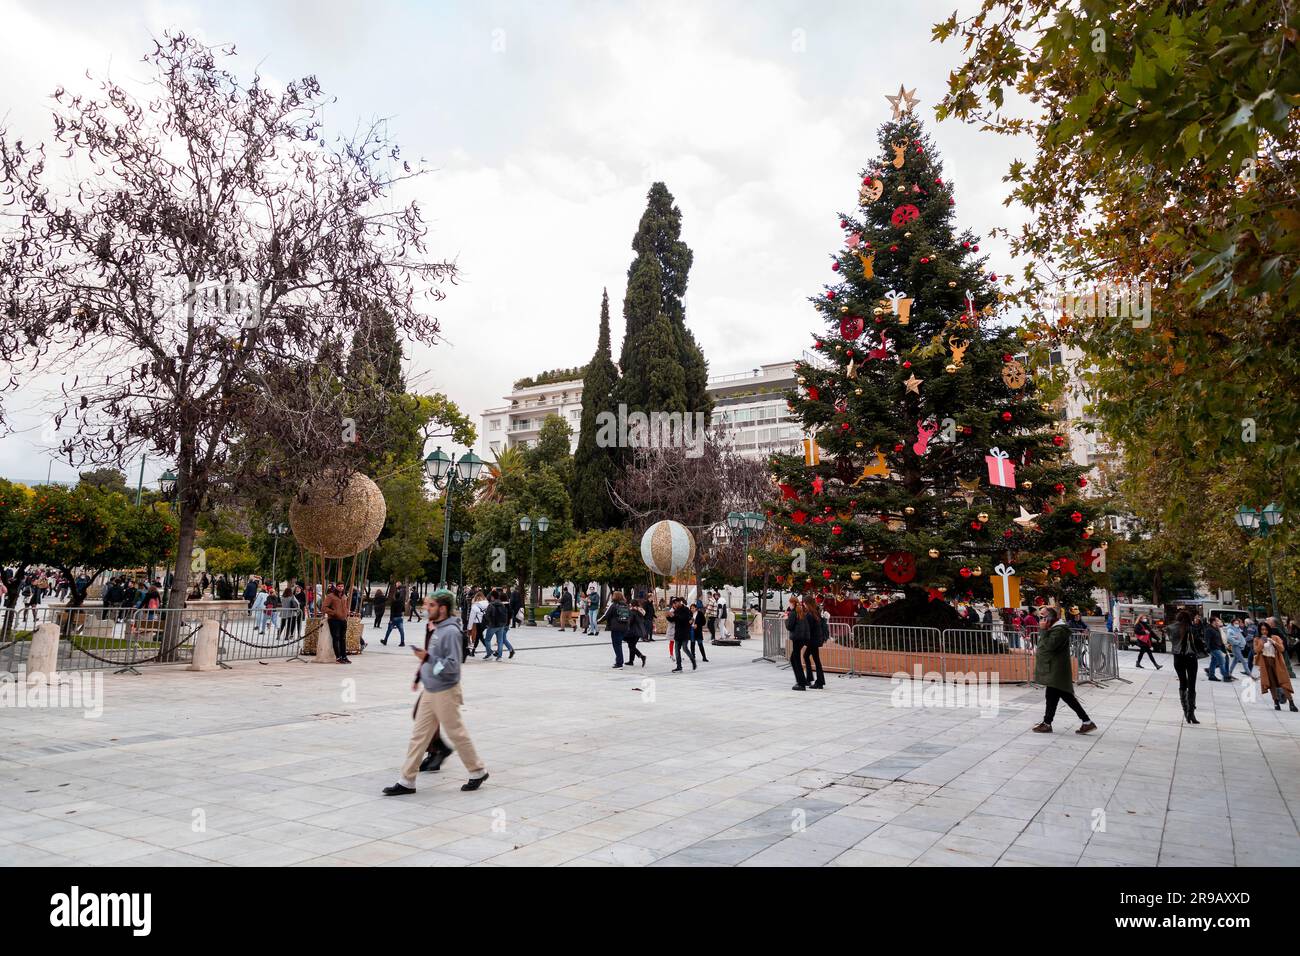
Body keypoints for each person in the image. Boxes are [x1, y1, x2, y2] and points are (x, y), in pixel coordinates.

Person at [383, 590, 489, 795]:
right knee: (419, 736)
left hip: (445, 691)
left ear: (442, 608)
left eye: (430, 605)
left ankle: (477, 770)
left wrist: (429, 659)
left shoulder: (450, 632)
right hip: (431, 690)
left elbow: (451, 666)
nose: (426, 609)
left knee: (456, 733)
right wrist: (424, 670)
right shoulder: (438, 628)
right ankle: (407, 781)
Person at [1031, 606, 1097, 734]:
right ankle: (1047, 723)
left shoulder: (1059, 630)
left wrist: (1043, 630)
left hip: (1057, 670)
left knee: (1065, 696)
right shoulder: (1055, 628)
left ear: (1050, 617)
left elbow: (1049, 646)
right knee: (1052, 696)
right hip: (1054, 668)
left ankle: (1086, 722)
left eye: (1043, 617)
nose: (1041, 620)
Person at [1168, 609, 1202, 724]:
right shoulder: (1191, 628)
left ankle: (1185, 711)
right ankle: (1191, 713)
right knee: (1192, 684)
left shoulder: (1171, 628)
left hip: (1177, 658)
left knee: (1183, 683)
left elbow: (1171, 639)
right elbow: (1198, 640)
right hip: (1191, 657)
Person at [1255, 622, 1297, 712]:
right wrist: (1262, 642)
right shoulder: (1257, 639)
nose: (1264, 631)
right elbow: (1257, 650)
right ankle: (1276, 702)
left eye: (1266, 629)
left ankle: (1291, 703)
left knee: (1284, 682)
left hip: (1277, 663)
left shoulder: (1275, 637)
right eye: (1262, 630)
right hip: (1266, 663)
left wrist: (1273, 641)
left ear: (1269, 629)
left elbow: (1282, 649)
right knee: (1271, 683)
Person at [785, 595, 811, 691]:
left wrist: (785, 619)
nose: (789, 605)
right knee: (793, 659)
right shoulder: (801, 612)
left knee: (796, 660)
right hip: (802, 639)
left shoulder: (793, 613)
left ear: (792, 603)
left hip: (796, 639)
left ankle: (801, 683)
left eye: (790, 603)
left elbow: (789, 626)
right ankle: (802, 680)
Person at [802, 593, 827, 689]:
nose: (803, 604)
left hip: (813, 640)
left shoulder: (810, 614)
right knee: (813, 658)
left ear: (807, 603)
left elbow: (808, 629)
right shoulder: (815, 612)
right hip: (815, 640)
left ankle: (816, 681)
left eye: (804, 603)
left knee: (810, 658)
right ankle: (815, 680)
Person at [323, 582, 351, 664]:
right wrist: (334, 613)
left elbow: (345, 606)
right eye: (339, 586)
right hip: (334, 620)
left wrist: (346, 612)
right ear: (336, 587)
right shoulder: (330, 596)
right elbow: (324, 607)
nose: (340, 588)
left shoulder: (344, 596)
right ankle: (338, 657)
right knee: (336, 638)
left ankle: (344, 656)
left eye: (342, 586)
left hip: (343, 619)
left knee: (343, 638)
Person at [484, 588, 515, 660]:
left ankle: (489, 654)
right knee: (500, 640)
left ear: (492, 597)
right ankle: (499, 656)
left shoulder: (491, 605)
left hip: (493, 625)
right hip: (501, 625)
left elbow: (487, 615)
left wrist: (488, 623)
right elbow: (506, 615)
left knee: (487, 640)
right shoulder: (502, 605)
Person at [605, 590, 631, 668]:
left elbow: (606, 615)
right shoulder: (625, 605)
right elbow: (629, 615)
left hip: (616, 628)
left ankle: (619, 662)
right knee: (619, 645)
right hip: (625, 627)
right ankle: (619, 660)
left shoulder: (613, 605)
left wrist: (597, 621)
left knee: (617, 645)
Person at [669, 596, 695, 672]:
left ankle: (693, 660)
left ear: (679, 602)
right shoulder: (676, 610)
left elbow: (684, 619)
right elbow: (673, 620)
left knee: (685, 648)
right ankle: (679, 666)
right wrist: (668, 616)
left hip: (685, 632)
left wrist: (675, 616)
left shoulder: (686, 610)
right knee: (677, 650)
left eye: (675, 603)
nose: (675, 605)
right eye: (674, 604)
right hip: (677, 633)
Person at [1203, 616, 1232, 682]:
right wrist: (1208, 648)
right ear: (1214, 622)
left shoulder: (1216, 628)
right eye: (1217, 620)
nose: (1219, 621)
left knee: (1213, 662)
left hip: (1218, 647)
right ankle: (1226, 676)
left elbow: (1220, 639)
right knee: (1222, 661)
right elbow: (1207, 640)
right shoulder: (1209, 629)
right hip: (1214, 648)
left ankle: (1211, 675)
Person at [382, 581, 407, 647]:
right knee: (401, 631)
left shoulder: (393, 602)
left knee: (389, 630)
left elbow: (392, 612)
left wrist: (390, 619)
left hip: (394, 618)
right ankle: (402, 642)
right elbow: (403, 610)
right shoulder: (401, 602)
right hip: (400, 617)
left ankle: (385, 640)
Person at [467, 589, 489, 657]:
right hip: (485, 623)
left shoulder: (474, 606)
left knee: (481, 638)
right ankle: (472, 652)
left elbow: (471, 618)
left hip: (478, 623)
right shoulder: (487, 604)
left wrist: (469, 628)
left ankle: (490, 651)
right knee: (478, 637)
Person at [690, 599, 710, 663]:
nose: (692, 609)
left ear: (696, 608)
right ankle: (693, 656)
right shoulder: (690, 614)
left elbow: (703, 622)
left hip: (698, 630)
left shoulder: (700, 613)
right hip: (692, 630)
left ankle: (704, 657)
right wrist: (690, 622)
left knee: (700, 644)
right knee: (692, 644)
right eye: (691, 608)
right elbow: (687, 621)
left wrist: (698, 625)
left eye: (693, 608)